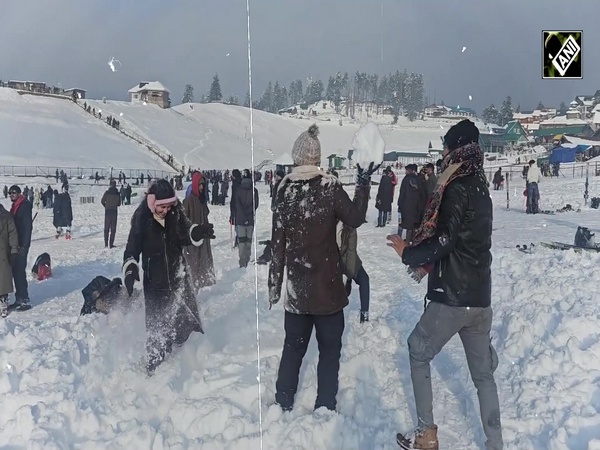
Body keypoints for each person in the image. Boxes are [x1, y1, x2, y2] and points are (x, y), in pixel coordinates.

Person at [387, 119, 502, 450]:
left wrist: (409, 253)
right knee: (483, 376)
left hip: (453, 296)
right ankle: (496, 444)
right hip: (480, 298)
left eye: (445, 147)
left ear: (456, 149)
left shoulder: (456, 186)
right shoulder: (481, 187)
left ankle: (426, 435)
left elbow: (446, 238)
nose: (442, 153)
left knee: (417, 350)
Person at [269, 124, 378, 412]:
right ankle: (325, 404)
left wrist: (274, 285)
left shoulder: (283, 191)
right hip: (327, 291)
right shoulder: (330, 188)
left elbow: (277, 244)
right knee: (329, 352)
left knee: (293, 349)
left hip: (297, 292)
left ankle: (282, 401)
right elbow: (354, 218)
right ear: (317, 159)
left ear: (296, 158)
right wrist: (363, 182)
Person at [122, 180, 214, 374]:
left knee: (187, 323)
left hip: (178, 275)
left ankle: (190, 364)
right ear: (152, 202)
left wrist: (196, 232)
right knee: (157, 330)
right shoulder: (141, 218)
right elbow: (132, 249)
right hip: (155, 283)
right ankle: (154, 371)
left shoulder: (176, 211)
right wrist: (130, 269)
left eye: (169, 206)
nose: (166, 210)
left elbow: (185, 231)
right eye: (162, 207)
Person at [183, 171, 216, 289]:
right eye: (200, 184)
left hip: (203, 240)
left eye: (203, 185)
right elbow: (183, 224)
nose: (201, 187)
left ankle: (205, 286)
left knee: (204, 263)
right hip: (192, 242)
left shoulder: (202, 201)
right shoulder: (188, 201)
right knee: (193, 266)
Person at [8, 185, 33, 311]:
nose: (11, 194)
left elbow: (27, 227)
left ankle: (25, 300)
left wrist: (25, 245)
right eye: (10, 193)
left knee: (20, 272)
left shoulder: (24, 206)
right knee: (16, 272)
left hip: (22, 244)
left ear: (19, 193)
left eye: (14, 192)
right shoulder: (15, 205)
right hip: (16, 244)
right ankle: (19, 298)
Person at [234, 169, 259, 268]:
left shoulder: (238, 190)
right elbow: (255, 205)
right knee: (248, 241)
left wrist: (243, 215)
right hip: (250, 219)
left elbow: (237, 205)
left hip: (240, 219)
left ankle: (242, 260)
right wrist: (248, 214)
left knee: (242, 241)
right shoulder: (254, 190)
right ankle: (247, 259)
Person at [397, 164, 426, 244]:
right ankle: (410, 239)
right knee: (412, 224)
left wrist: (399, 204)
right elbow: (422, 194)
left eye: (407, 170)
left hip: (405, 205)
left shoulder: (406, 180)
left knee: (403, 223)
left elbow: (402, 193)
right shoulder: (419, 180)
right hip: (415, 206)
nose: (406, 172)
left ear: (412, 170)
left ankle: (399, 239)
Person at [0, 204, 19, 318]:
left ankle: (3, 302)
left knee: (3, 280)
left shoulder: (6, 216)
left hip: (3, 253)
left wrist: (14, 250)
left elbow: (12, 234)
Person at [101, 179, 121, 248]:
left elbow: (102, 201)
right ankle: (111, 244)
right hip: (114, 212)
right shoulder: (117, 193)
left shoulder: (107, 193)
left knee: (106, 228)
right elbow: (119, 204)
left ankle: (106, 244)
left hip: (107, 211)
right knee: (113, 229)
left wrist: (106, 206)